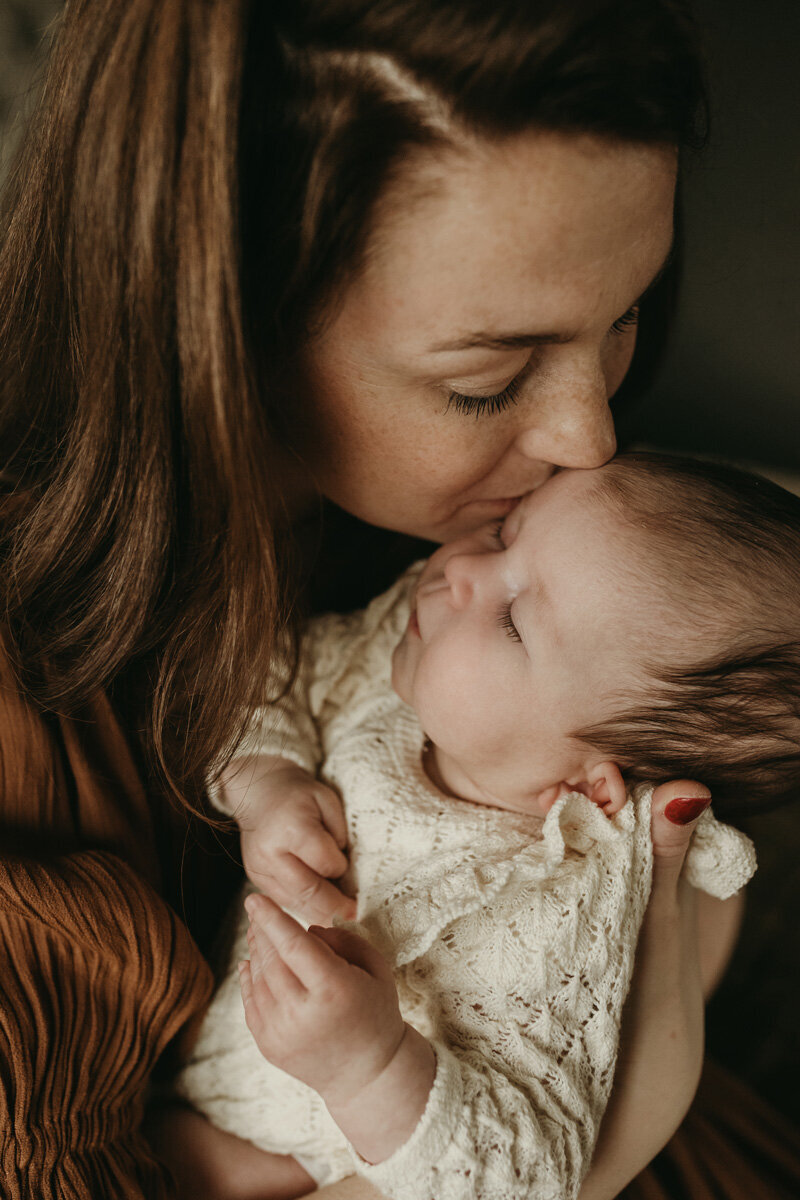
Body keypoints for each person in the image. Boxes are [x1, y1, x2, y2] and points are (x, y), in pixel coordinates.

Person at [0, 3, 797, 1199]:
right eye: (486, 380)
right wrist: (594, 1149)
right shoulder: (50, 703)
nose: (592, 440)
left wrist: (657, 954)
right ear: (227, 318)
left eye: (623, 316)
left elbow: (675, 869)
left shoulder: (516, 545)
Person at [175, 451, 787, 1200]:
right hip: (198, 1067)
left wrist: (370, 1069)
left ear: (584, 786)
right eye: (505, 534)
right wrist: (266, 778)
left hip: (340, 1160)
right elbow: (268, 670)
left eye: (515, 623)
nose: (462, 571)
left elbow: (525, 1176)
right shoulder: (405, 652)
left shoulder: (561, 911)